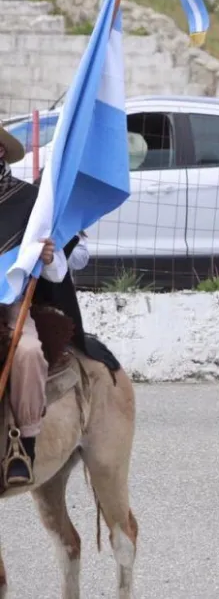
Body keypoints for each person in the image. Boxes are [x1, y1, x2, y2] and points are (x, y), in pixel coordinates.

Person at [0, 124, 118, 486]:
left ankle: (23, 446)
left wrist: (49, 256)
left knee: (29, 352)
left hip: (11, 305)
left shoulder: (29, 202)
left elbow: (56, 275)